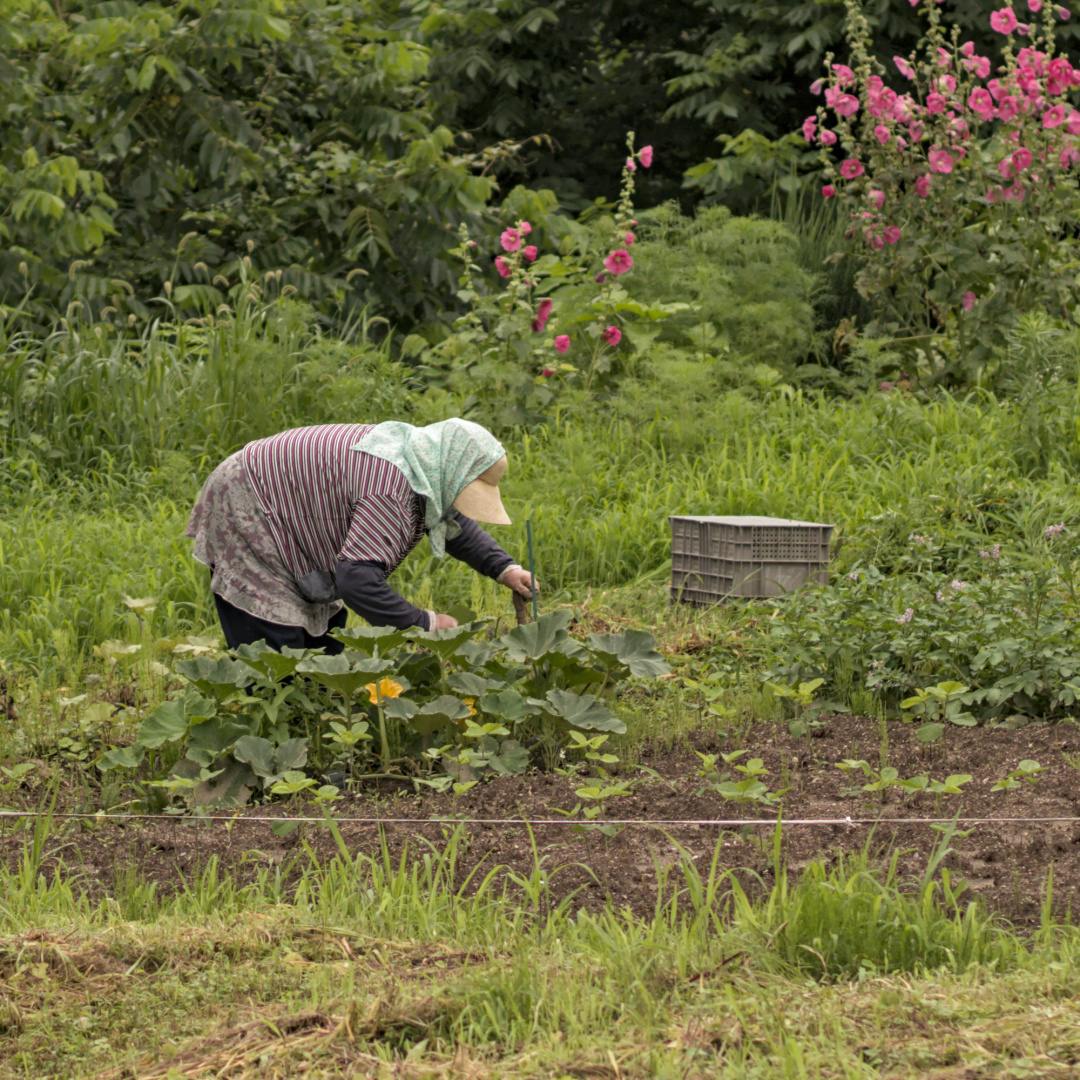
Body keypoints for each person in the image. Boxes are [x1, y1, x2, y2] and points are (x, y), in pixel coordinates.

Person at [185, 419, 536, 653]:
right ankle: (274, 747)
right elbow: (356, 580)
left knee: (324, 638)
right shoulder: (391, 491)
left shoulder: (422, 461)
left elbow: (449, 521)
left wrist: (505, 569)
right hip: (247, 500)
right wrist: (422, 623)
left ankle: (313, 738)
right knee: (275, 648)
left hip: (287, 505)